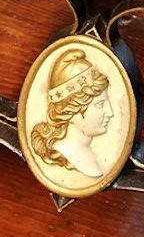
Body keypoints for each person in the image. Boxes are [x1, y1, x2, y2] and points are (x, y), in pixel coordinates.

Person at [30, 47, 115, 177]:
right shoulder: (66, 154)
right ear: (71, 111)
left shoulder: (88, 153)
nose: (110, 112)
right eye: (100, 104)